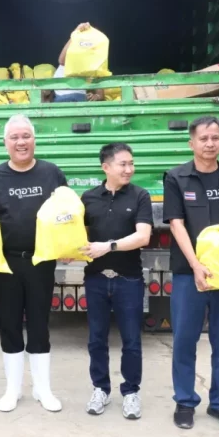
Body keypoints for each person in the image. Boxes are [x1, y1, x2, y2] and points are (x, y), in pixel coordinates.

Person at [162, 116, 219, 433]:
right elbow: (176, 223)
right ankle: (185, 402)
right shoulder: (177, 178)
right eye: (203, 138)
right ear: (192, 142)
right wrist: (196, 266)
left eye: (215, 137)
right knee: (185, 340)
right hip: (191, 275)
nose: (210, 143)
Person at [0, 114, 68, 413]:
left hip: (41, 261)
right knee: (9, 324)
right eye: (14, 137)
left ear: (34, 140)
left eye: (26, 136)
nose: (21, 142)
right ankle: (13, 390)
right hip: (5, 263)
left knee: (40, 324)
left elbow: (66, 213)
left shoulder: (52, 174)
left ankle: (43, 390)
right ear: (5, 143)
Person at [79, 143, 152, 419]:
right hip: (96, 279)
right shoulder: (88, 198)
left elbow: (143, 236)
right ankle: (100, 389)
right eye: (123, 164)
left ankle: (131, 392)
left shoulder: (140, 196)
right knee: (96, 339)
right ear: (106, 167)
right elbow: (78, 236)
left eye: (131, 163)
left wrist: (106, 247)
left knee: (131, 339)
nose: (129, 169)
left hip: (128, 280)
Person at [48, 22, 104, 103]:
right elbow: (61, 60)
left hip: (79, 97)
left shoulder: (94, 61)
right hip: (62, 96)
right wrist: (77, 32)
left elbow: (100, 93)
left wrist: (96, 96)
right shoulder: (74, 51)